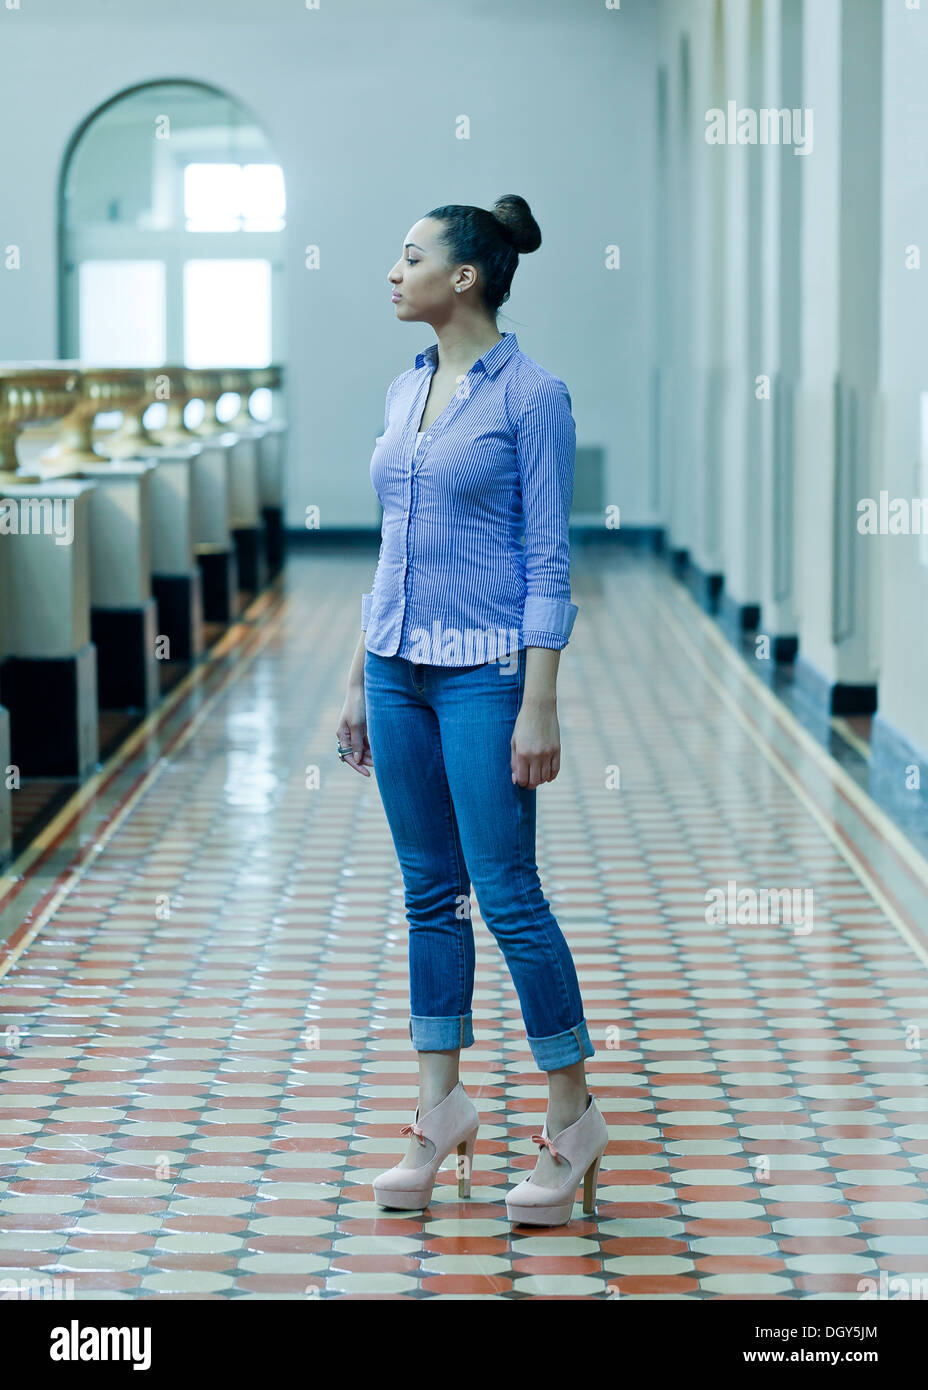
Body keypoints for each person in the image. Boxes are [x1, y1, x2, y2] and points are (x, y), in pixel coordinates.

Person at [335, 195, 607, 1227]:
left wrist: (539, 701)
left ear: (465, 279)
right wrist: (359, 672)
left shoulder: (532, 397)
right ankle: (437, 1108)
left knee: (507, 896)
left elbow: (548, 557)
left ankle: (571, 1118)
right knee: (427, 895)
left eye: (409, 258)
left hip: (489, 675)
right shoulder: (408, 387)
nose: (391, 273)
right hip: (397, 666)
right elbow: (390, 543)